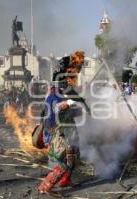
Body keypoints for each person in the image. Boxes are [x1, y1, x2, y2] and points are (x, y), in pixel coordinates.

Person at [38, 50, 85, 193]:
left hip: (67, 127)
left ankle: (65, 180)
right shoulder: (57, 92)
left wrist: (78, 106)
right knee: (67, 159)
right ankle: (46, 184)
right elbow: (59, 110)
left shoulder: (59, 89)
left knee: (74, 156)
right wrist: (74, 106)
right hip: (60, 130)